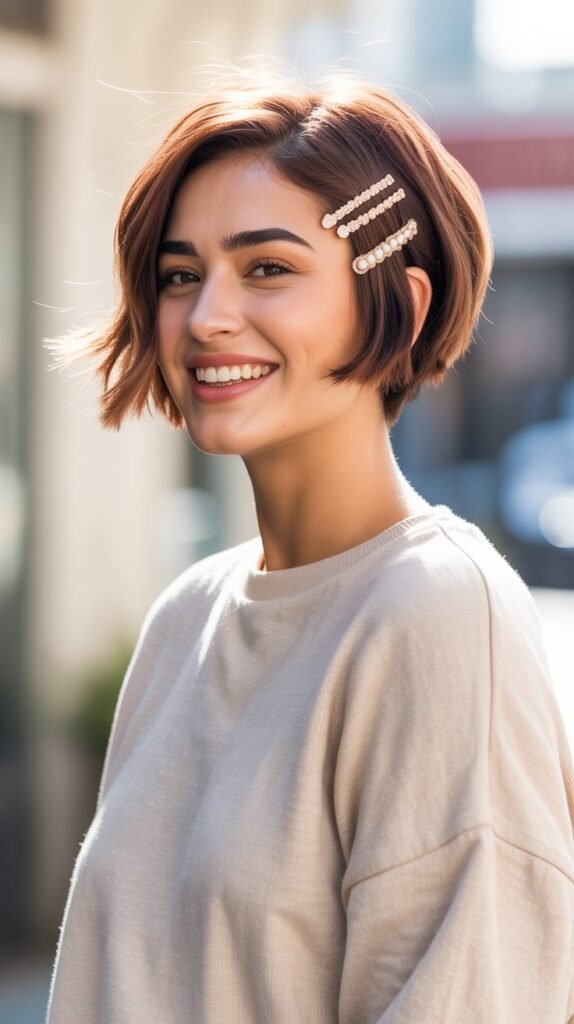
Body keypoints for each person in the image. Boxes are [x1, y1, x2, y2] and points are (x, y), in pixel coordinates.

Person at [45, 65, 574, 1023]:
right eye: (179, 274)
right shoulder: (188, 616)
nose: (206, 316)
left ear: (402, 307)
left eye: (269, 268)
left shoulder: (439, 615)